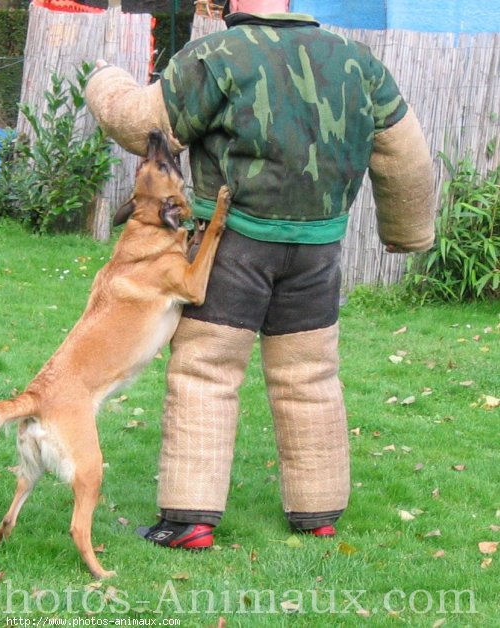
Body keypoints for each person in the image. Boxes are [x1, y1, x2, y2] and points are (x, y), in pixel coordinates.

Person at [85, 0, 435, 549]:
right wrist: (409, 232)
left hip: (236, 244)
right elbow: (405, 154)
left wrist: (102, 80)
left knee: (207, 371)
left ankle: (191, 520)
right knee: (310, 377)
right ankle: (317, 513)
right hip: (318, 248)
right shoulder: (356, 60)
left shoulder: (218, 54)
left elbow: (140, 124)